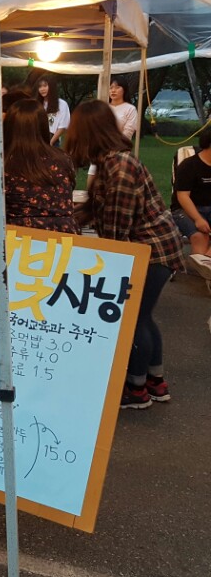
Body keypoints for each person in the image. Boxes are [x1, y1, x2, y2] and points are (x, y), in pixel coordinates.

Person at [65, 99, 185, 410]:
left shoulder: (119, 167)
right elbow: (98, 210)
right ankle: (155, 382)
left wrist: (105, 264)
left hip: (150, 250)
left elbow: (118, 229)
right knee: (144, 317)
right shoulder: (112, 162)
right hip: (155, 247)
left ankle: (136, 388)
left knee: (134, 320)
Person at [2, 99, 79, 234]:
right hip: (65, 236)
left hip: (19, 237)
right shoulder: (62, 159)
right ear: (43, 126)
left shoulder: (3, 163)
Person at [171, 129, 211, 260]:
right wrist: (198, 219)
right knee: (200, 237)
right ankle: (203, 264)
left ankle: (205, 265)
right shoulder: (189, 165)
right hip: (185, 209)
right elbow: (182, 196)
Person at [34, 75, 70, 147]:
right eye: (40, 87)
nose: (42, 89)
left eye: (45, 86)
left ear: (52, 86)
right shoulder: (37, 104)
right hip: (36, 140)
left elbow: (63, 126)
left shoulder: (62, 104)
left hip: (53, 141)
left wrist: (51, 142)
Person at [109, 76, 138, 141]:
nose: (113, 90)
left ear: (124, 90)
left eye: (117, 87)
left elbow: (128, 132)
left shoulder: (130, 109)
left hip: (121, 145)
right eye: (111, 88)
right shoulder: (103, 107)